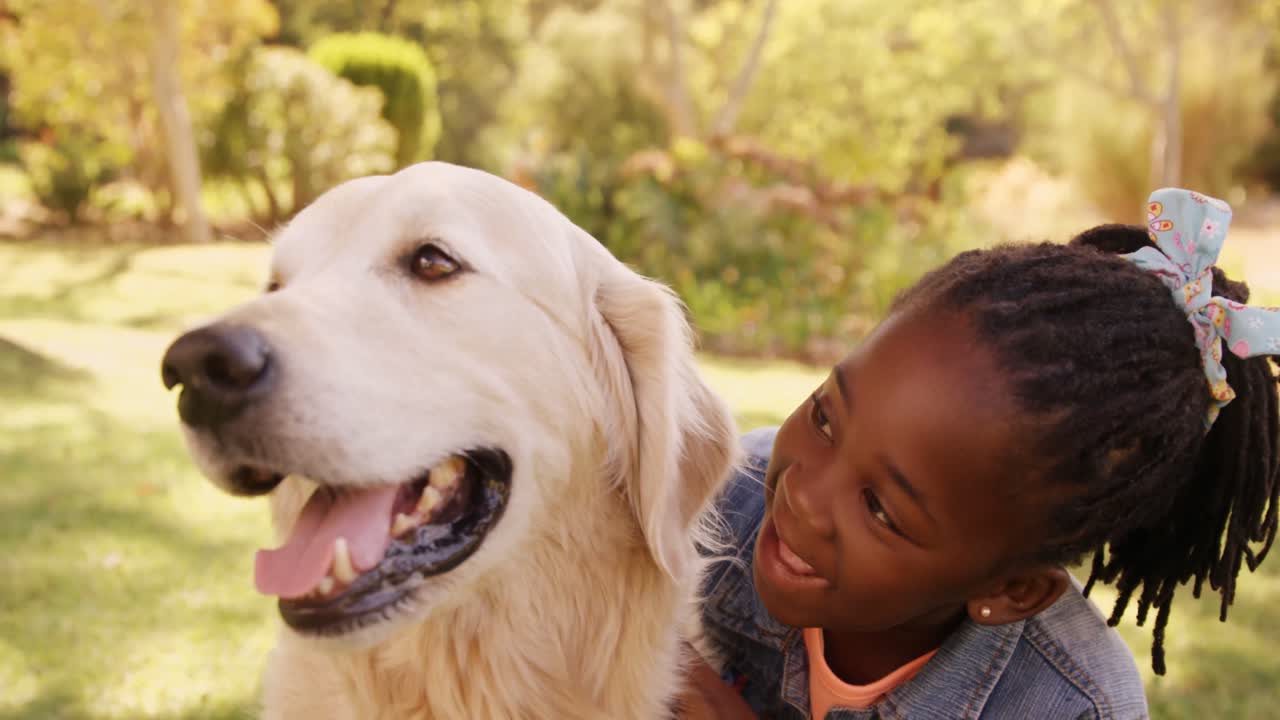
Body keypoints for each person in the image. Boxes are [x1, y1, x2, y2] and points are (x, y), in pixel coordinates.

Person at [679, 189, 1280, 719]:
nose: (803, 497)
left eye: (881, 509)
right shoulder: (720, 496)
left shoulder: (1071, 706)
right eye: (826, 418)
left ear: (1012, 590)